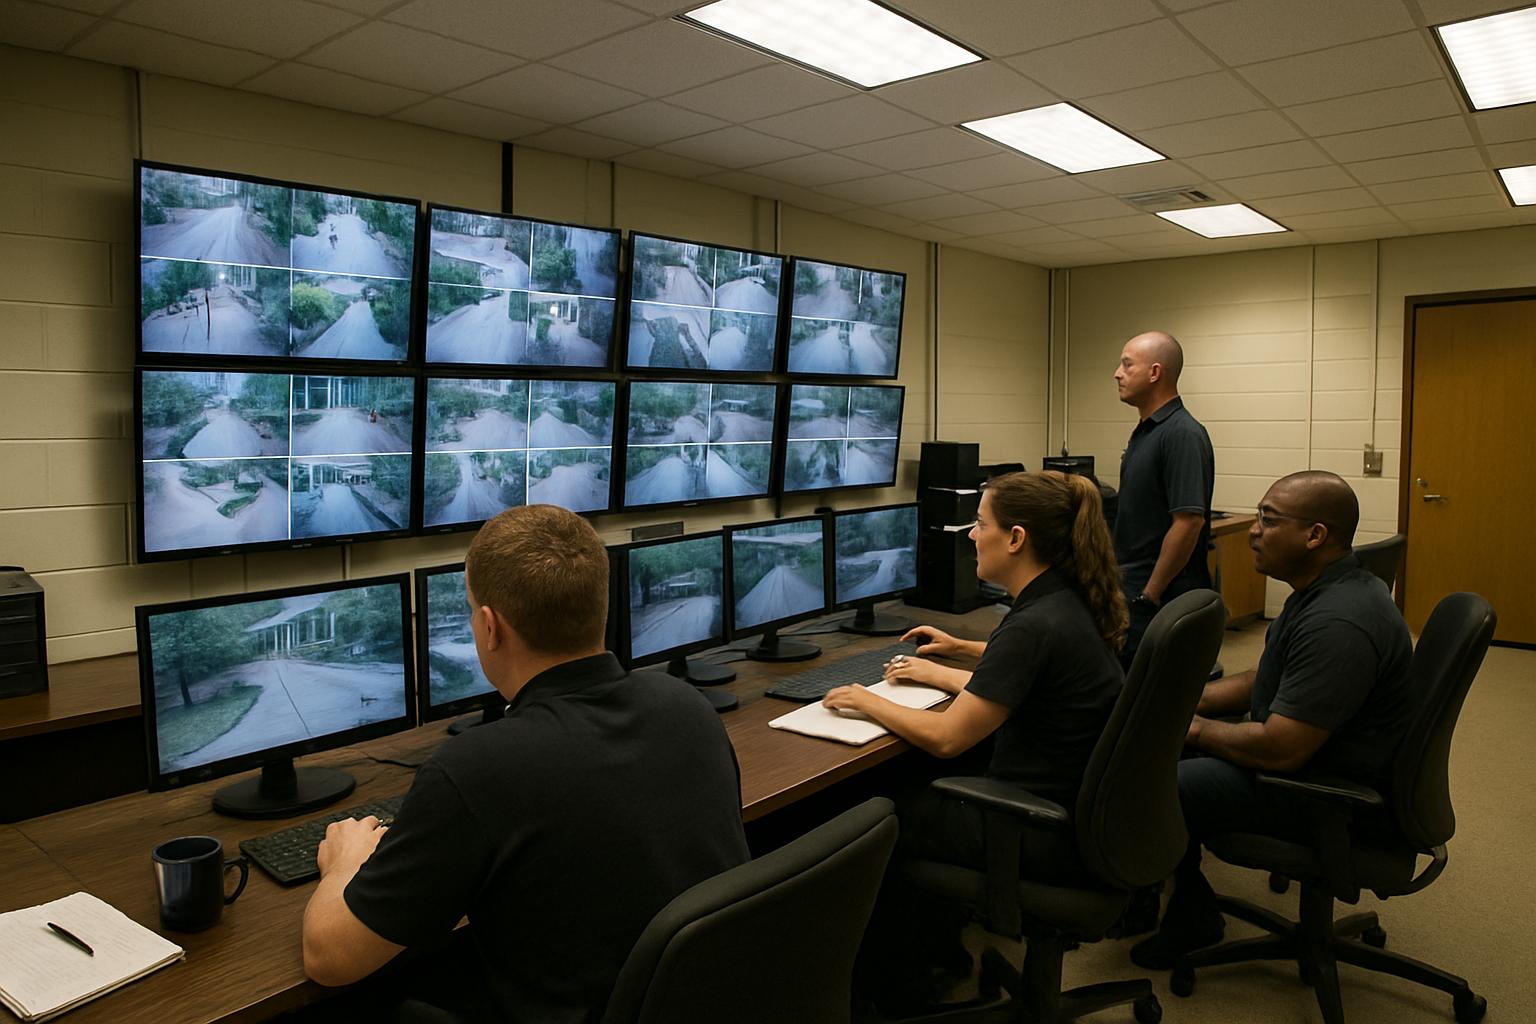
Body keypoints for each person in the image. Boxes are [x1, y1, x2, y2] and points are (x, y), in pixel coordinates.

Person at [301, 505, 749, 1022]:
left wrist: (345, 864)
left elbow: (329, 959)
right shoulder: (686, 706)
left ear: (489, 627)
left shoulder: (478, 767)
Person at [825, 471, 1127, 1014]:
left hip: (1042, 828)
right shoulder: (1062, 600)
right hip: (1083, 816)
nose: (969, 534)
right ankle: (940, 955)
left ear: (1015, 538)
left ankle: (896, 986)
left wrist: (862, 697)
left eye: (980, 523)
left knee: (872, 813)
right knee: (905, 779)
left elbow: (945, 738)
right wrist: (955, 657)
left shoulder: (1033, 624)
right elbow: (1026, 686)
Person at [1130, 471, 1414, 969]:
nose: (1254, 531)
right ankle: (1154, 891)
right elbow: (1263, 677)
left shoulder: (1337, 622)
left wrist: (1186, 728)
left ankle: (1191, 913)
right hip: (1319, 760)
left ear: (1315, 535)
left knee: (1155, 783)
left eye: (1267, 520)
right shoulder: (1323, 588)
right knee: (1168, 744)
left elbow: (1282, 748)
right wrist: (1183, 700)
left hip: (1327, 793)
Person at [1112, 330, 1215, 669]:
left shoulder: (1181, 433)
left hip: (1158, 593)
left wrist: (1150, 595)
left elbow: (1188, 522)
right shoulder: (1147, 431)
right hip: (1135, 585)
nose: (1117, 373)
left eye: (1128, 365)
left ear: (1155, 373)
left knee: (1147, 691)